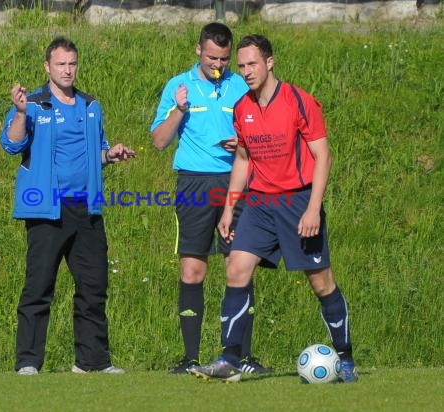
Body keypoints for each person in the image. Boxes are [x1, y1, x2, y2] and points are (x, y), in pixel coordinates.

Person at [191, 34, 357, 383]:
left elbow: (323, 155)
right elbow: (242, 159)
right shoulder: (242, 107)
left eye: (252, 64)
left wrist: (313, 208)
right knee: (236, 268)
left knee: (321, 281)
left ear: (269, 62)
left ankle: (345, 356)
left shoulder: (300, 101)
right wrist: (228, 210)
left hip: (298, 201)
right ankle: (229, 358)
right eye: (241, 66)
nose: (246, 71)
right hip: (260, 203)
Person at [0, 36, 135, 376]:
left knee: (93, 286)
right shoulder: (32, 104)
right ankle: (28, 362)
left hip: (86, 209)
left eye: (72, 63)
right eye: (61, 64)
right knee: (39, 286)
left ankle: (92, 362)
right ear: (47, 67)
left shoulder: (91, 106)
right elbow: (12, 145)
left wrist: (111, 155)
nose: (67, 70)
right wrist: (19, 113)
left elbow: (97, 153)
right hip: (46, 208)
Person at [150, 22, 272, 375]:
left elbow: (267, 133)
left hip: (238, 181)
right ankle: (190, 358)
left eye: (223, 58)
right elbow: (159, 141)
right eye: (211, 57)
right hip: (194, 185)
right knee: (192, 270)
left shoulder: (241, 85)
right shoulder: (178, 86)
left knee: (240, 268)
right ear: (197, 51)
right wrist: (179, 110)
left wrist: (245, 143)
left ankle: (241, 357)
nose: (218, 65)